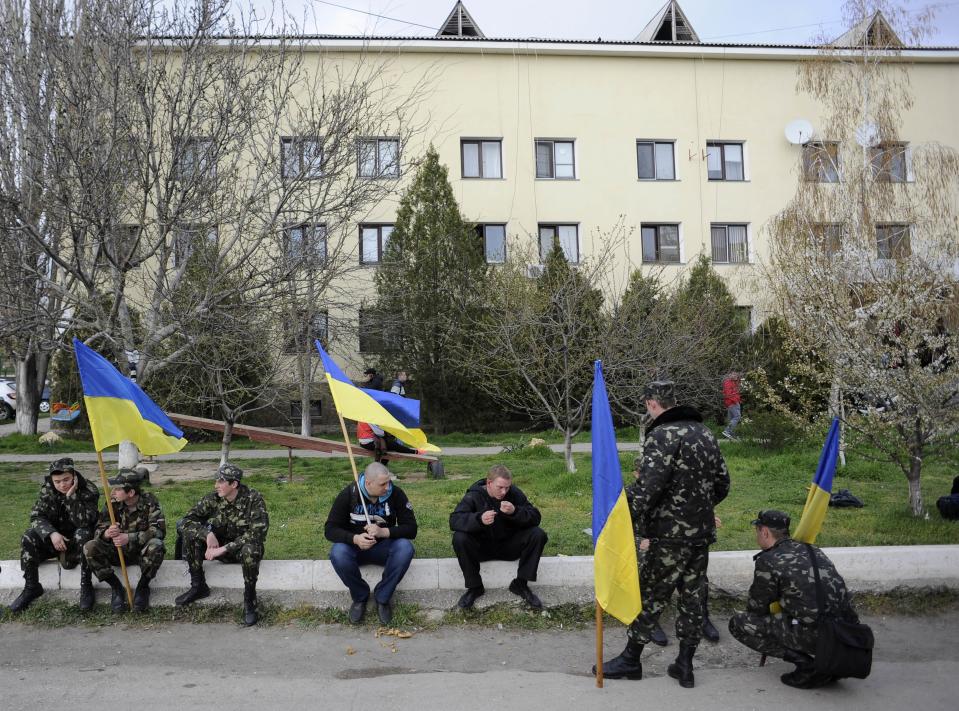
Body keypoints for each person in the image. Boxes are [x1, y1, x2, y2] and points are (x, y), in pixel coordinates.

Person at [597, 381, 730, 687]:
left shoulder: (662, 434)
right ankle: (684, 665)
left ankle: (631, 661)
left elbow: (647, 489)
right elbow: (723, 483)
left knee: (652, 596)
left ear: (651, 404)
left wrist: (619, 519)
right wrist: (698, 510)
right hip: (700, 534)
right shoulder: (706, 433)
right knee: (693, 597)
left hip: (669, 535)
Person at [729, 510, 859, 689]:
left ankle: (809, 666)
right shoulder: (812, 549)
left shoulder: (768, 560)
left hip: (819, 635)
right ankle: (828, 662)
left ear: (764, 532)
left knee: (739, 624)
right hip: (847, 631)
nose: (756, 535)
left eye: (757, 530)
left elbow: (756, 609)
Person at [630, 456, 721, 647]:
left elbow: (684, 518)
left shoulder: (670, 492)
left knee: (695, 567)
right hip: (641, 546)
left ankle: (701, 616)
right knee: (650, 562)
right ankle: (649, 621)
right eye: (645, 474)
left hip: (671, 544)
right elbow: (614, 529)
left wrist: (705, 519)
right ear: (636, 474)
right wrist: (639, 541)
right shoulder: (629, 495)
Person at [175, 463, 269, 626]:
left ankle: (249, 600)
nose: (216, 485)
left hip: (240, 548)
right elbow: (184, 521)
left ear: (234, 484)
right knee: (192, 535)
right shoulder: (213, 498)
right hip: (219, 547)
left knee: (250, 550)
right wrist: (207, 534)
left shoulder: (253, 498)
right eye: (216, 481)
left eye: (221, 481)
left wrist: (223, 549)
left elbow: (257, 533)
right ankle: (198, 586)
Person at [324, 462, 417, 625]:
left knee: (405, 548)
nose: (388, 487)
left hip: (384, 547)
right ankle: (360, 596)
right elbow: (330, 529)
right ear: (368, 483)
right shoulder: (349, 494)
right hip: (355, 549)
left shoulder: (396, 493)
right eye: (383, 484)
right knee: (338, 553)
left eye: (388, 481)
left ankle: (383, 597)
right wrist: (355, 539)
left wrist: (384, 532)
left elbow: (411, 529)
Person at [449, 464, 548, 610]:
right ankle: (475, 587)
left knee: (538, 534)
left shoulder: (514, 493)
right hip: (482, 548)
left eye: (507, 487)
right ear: (489, 483)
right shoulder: (474, 495)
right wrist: (479, 519)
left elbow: (535, 517)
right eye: (500, 487)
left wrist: (515, 511)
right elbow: (455, 520)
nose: (504, 492)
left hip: (509, 546)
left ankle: (520, 584)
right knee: (459, 538)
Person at [9, 457, 100, 613]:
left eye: (66, 480)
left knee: (83, 533)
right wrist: (51, 533)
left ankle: (86, 585)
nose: (62, 485)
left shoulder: (88, 490)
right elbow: (37, 516)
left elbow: (84, 522)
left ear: (74, 476)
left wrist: (71, 497)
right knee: (28, 536)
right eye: (57, 481)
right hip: (55, 540)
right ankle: (31, 587)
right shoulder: (48, 490)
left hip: (76, 543)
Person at [83, 468, 166, 613]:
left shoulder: (149, 501)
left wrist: (129, 537)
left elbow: (159, 531)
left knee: (157, 546)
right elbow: (98, 528)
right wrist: (106, 533)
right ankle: (116, 588)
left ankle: (143, 587)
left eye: (118, 488)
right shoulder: (112, 503)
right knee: (90, 547)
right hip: (117, 552)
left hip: (140, 552)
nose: (113, 492)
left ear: (131, 493)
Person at [722, 371, 742, 441]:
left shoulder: (735, 382)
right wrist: (735, 400)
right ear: (730, 375)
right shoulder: (728, 382)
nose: (734, 375)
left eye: (736, 374)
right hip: (732, 402)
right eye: (733, 374)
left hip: (731, 402)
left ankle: (731, 434)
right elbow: (728, 394)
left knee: (731, 419)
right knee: (737, 416)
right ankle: (727, 431)